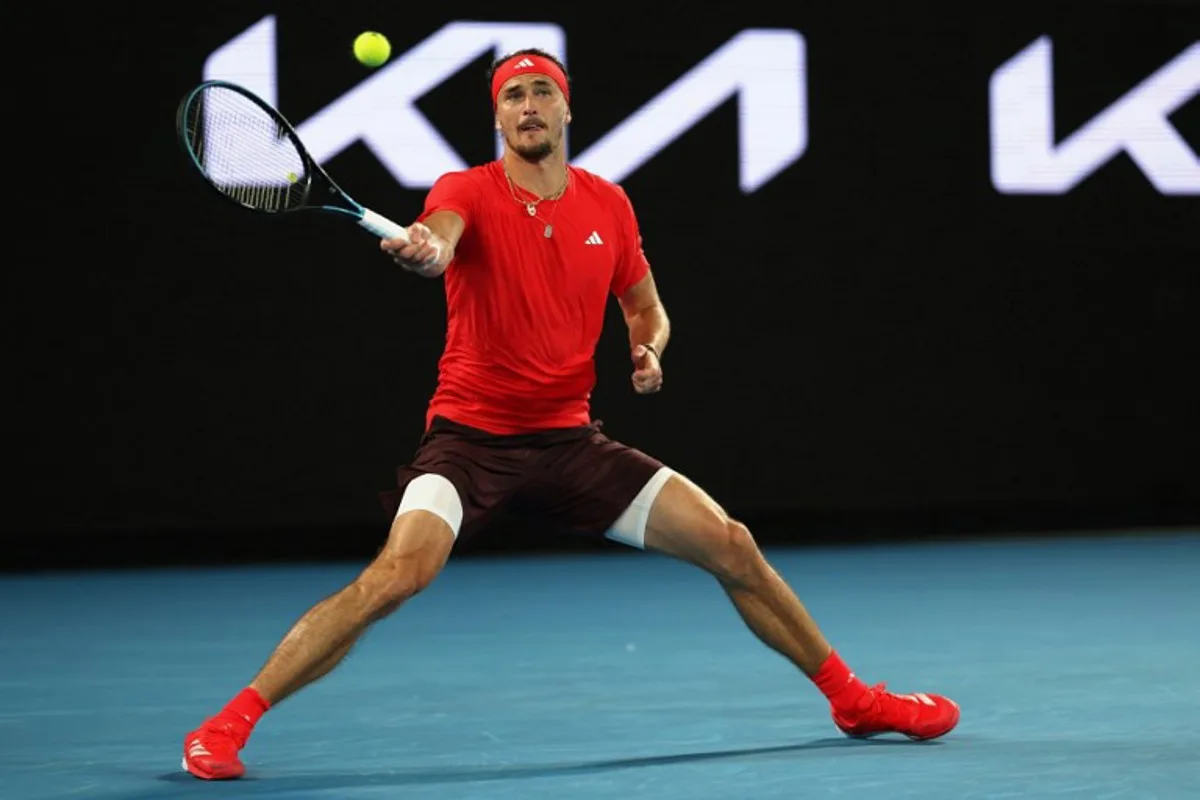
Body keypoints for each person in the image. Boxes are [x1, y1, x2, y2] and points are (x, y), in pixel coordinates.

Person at [182, 48, 959, 781]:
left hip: (569, 442)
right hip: (469, 443)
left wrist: (647, 348)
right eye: (512, 96)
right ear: (498, 119)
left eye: (541, 91)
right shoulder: (465, 190)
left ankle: (853, 702)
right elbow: (442, 239)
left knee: (731, 544)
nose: (528, 106)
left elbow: (647, 306)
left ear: (565, 109)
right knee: (394, 578)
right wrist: (429, 249)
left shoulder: (608, 205)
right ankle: (230, 723)